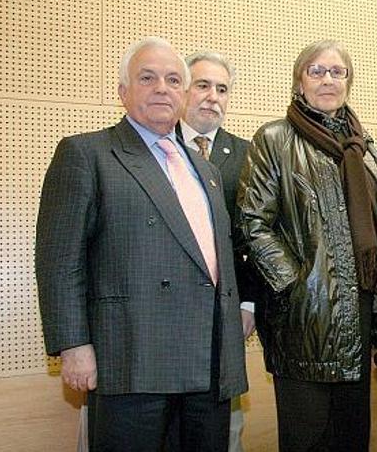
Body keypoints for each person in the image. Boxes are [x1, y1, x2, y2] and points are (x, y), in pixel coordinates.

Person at [35, 37, 247, 451]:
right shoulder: (87, 153)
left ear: (184, 96)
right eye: (147, 78)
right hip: (132, 361)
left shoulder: (206, 170)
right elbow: (59, 259)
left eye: (173, 80)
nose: (162, 88)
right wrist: (74, 346)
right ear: (123, 91)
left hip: (209, 365)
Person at [238, 39, 377, 452]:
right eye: (317, 71)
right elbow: (251, 220)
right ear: (299, 82)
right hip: (302, 320)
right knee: (308, 439)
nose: (328, 79)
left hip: (361, 314)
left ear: (349, 82)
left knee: (352, 437)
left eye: (337, 72)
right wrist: (295, 284)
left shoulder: (363, 147)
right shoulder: (274, 139)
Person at [179, 51, 257, 452]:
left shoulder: (249, 155)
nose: (212, 97)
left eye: (222, 89)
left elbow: (255, 237)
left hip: (224, 317)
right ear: (182, 89)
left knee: (222, 432)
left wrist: (249, 303)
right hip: (167, 318)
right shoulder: (159, 147)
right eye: (203, 85)